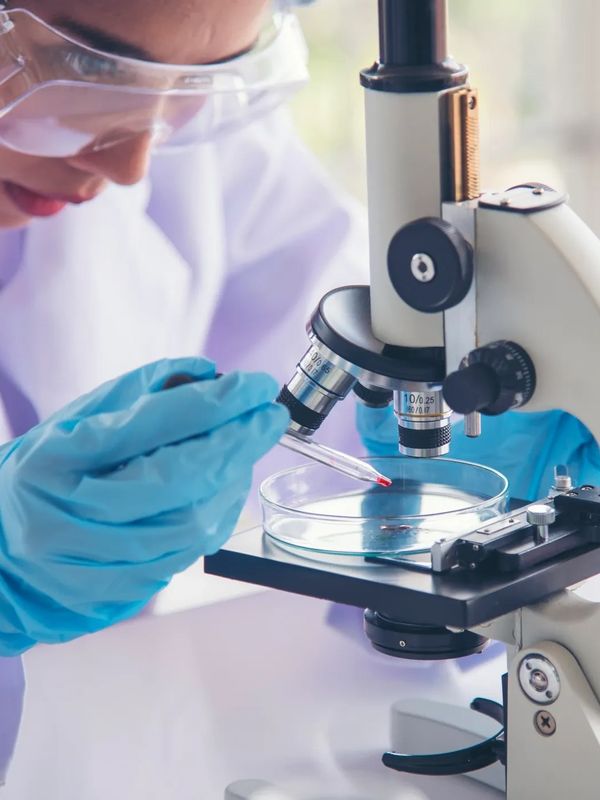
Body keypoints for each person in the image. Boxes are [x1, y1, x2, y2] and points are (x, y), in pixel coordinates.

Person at [0, 0, 369, 782]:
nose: (132, 163)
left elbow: (359, 383)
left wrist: (479, 425)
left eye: (198, 79)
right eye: (87, 63)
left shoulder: (196, 145)